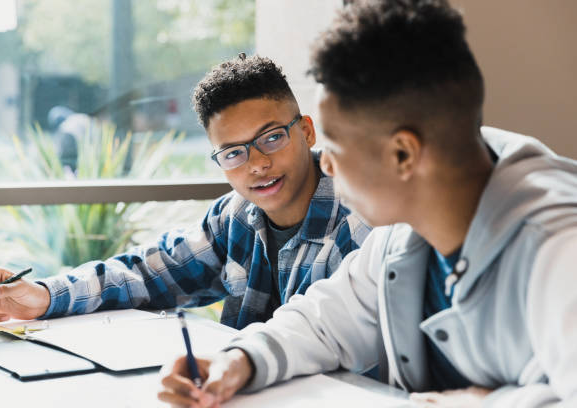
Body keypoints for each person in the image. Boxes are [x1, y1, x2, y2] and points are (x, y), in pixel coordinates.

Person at [156, 1, 577, 407]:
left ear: (403, 156)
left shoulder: (560, 250)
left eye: (336, 148)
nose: (327, 165)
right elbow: (323, 321)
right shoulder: (405, 231)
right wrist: (237, 361)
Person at [0, 56, 370, 332]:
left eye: (271, 138)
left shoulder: (359, 226)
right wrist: (43, 295)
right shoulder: (235, 217)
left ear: (306, 132)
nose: (256, 164)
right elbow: (144, 274)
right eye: (233, 153)